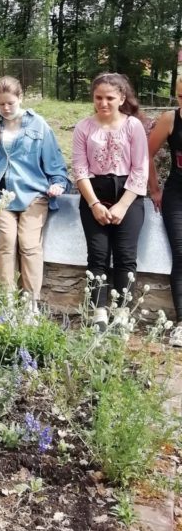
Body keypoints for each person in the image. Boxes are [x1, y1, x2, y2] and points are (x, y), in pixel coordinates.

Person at [0, 76, 69, 314]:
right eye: (1, 104)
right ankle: (8, 302)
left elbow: (55, 162)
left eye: (10, 103)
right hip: (2, 196)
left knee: (29, 244)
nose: (6, 108)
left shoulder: (38, 125)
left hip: (33, 195)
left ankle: (30, 304)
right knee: (6, 243)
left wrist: (58, 183)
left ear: (20, 98)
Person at [72, 72, 149, 330]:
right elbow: (80, 169)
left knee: (126, 256)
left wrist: (122, 205)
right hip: (94, 194)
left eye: (109, 98)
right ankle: (99, 312)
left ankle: (122, 312)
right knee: (98, 255)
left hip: (127, 195)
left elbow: (140, 169)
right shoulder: (84, 127)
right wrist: (94, 204)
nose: (103, 103)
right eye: (98, 97)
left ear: (121, 98)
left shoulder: (133, 126)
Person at [147, 75, 182, 346]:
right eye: (181, 97)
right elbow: (146, 153)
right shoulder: (170, 119)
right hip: (177, 195)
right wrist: (155, 189)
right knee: (180, 255)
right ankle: (181, 323)